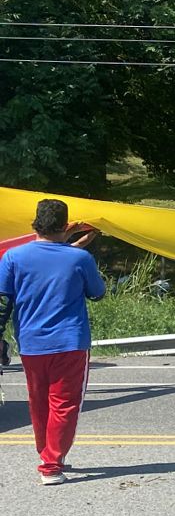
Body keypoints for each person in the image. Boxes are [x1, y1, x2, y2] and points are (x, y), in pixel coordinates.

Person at [0, 199, 106, 485]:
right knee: (65, 403)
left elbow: (2, 300)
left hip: (31, 343)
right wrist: (77, 250)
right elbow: (97, 293)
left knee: (39, 401)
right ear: (65, 226)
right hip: (70, 342)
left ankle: (46, 453)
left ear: (35, 223)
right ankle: (51, 465)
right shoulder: (79, 259)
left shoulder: (13, 256)